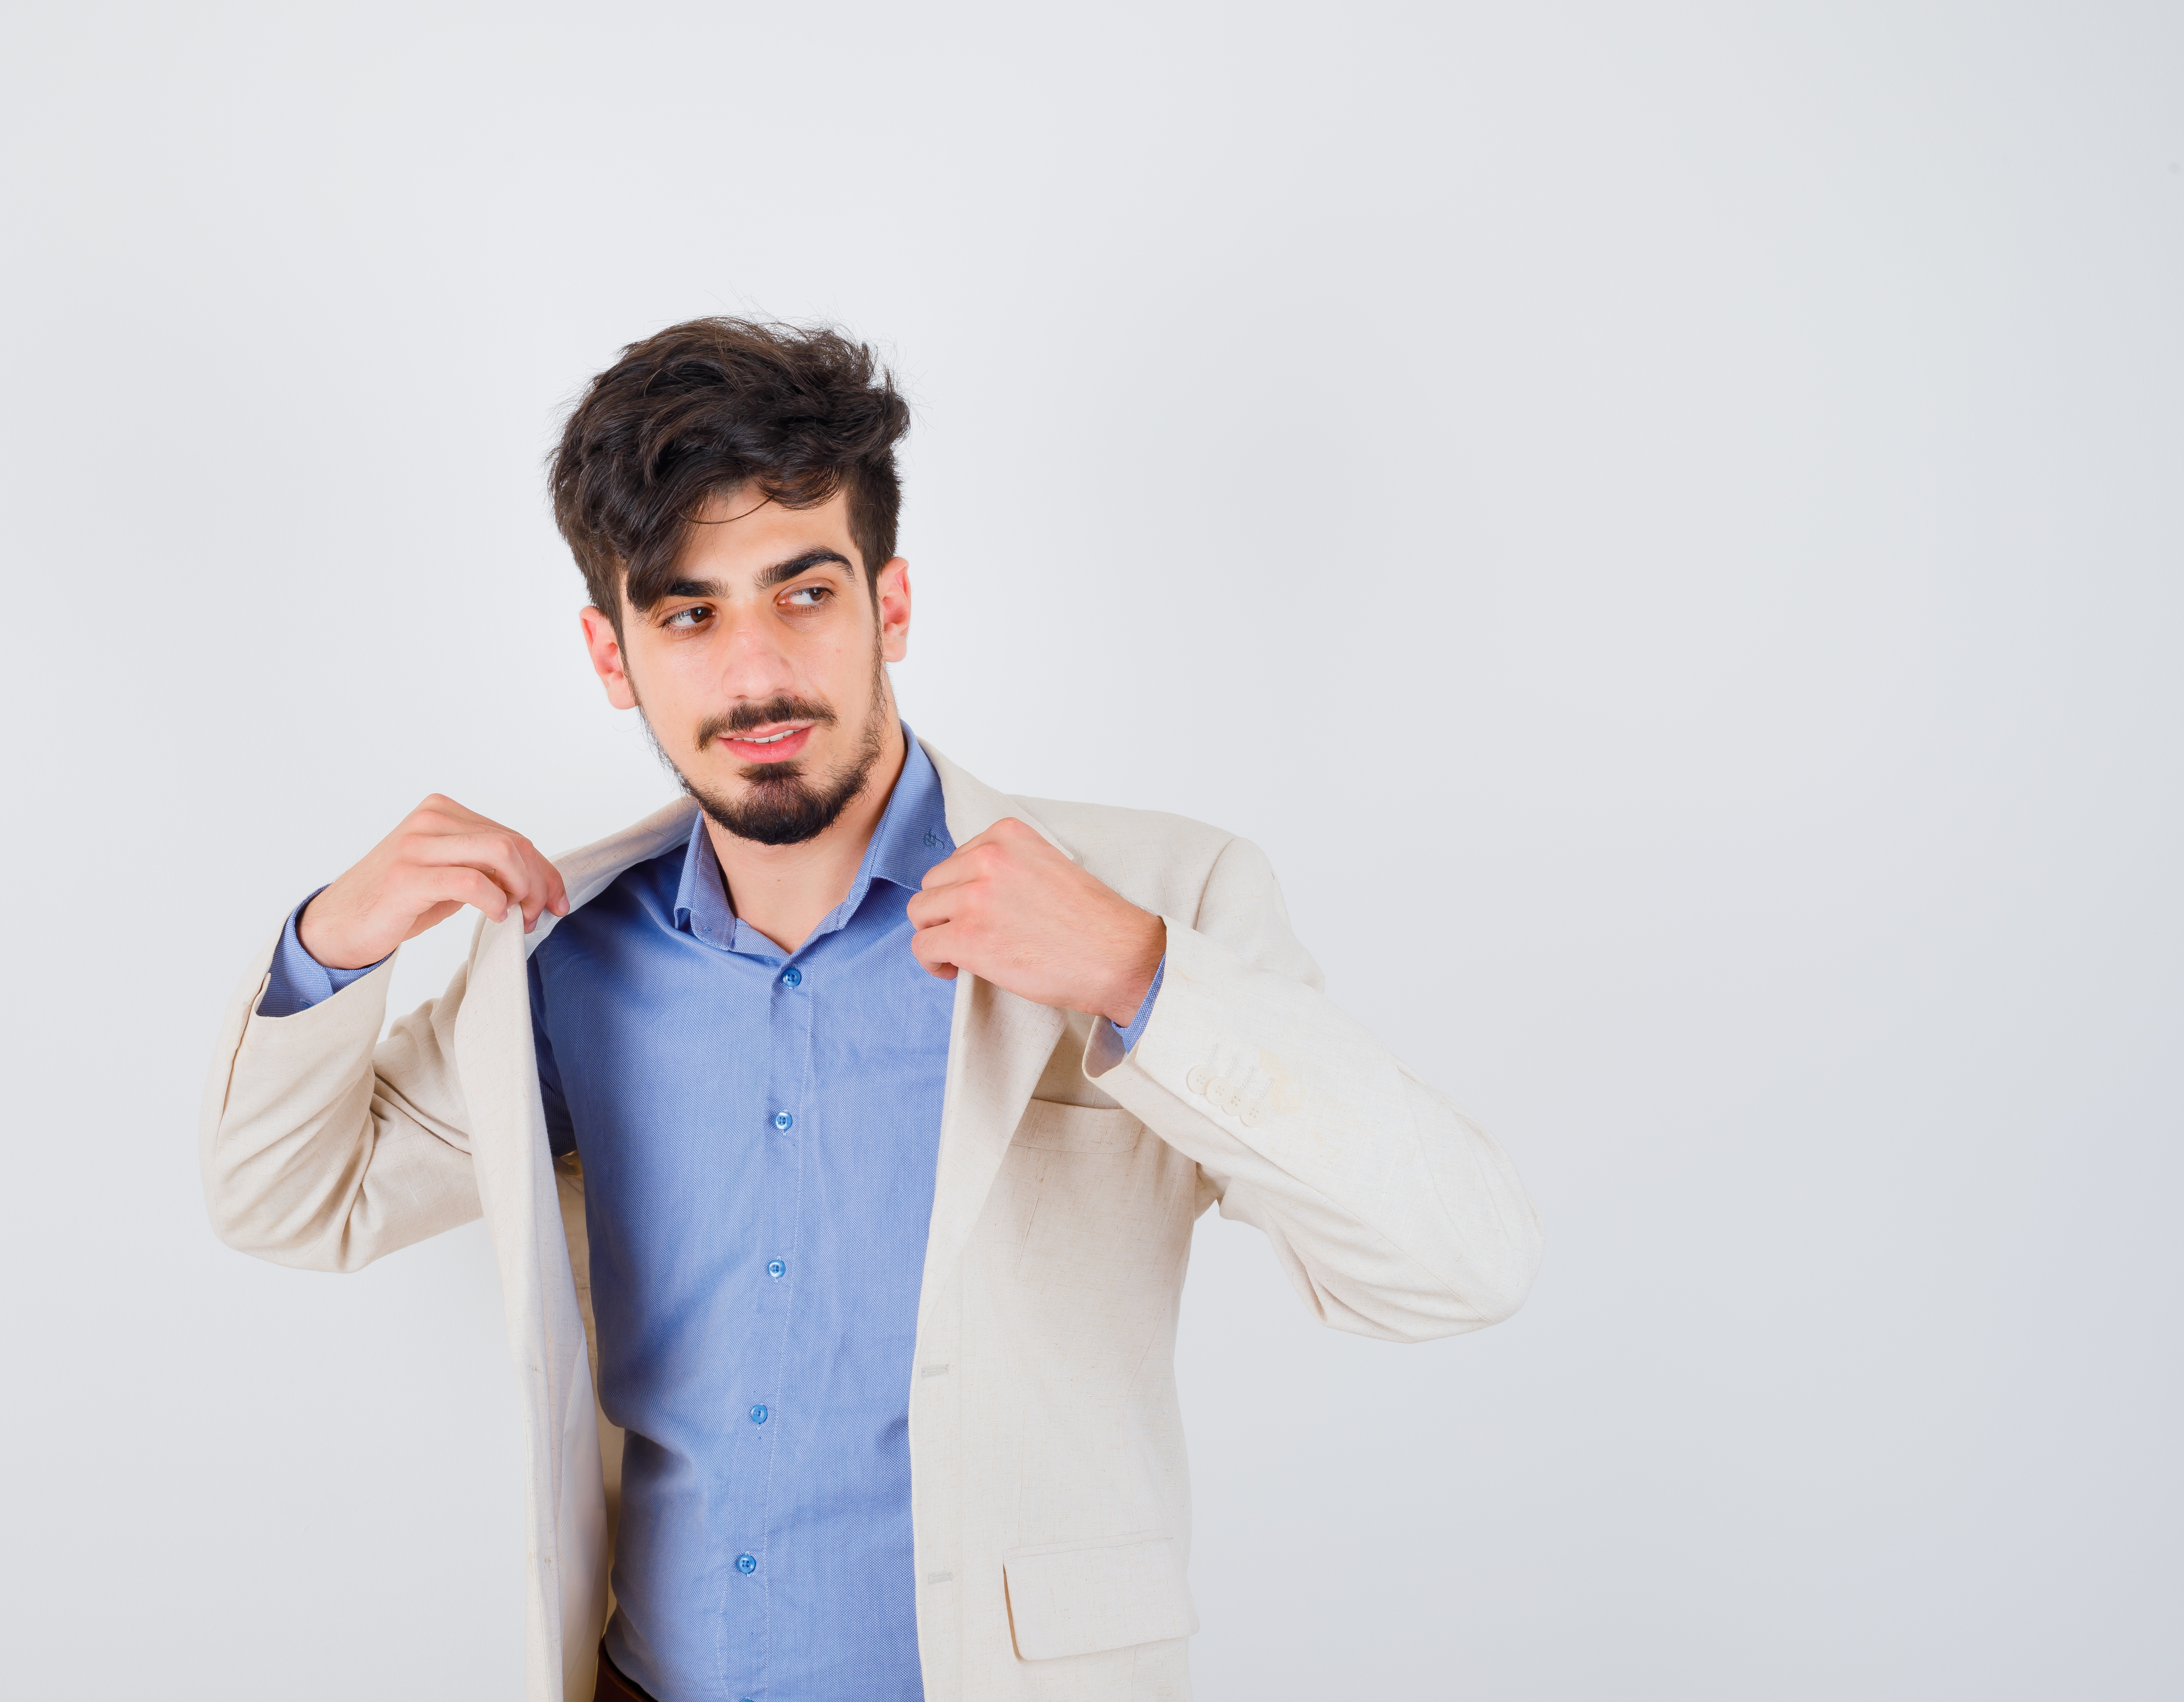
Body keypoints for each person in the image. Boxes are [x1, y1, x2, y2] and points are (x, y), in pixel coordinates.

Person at [199, 318, 1543, 1702]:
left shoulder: (1156, 896)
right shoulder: (565, 965)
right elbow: (292, 1201)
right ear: (615, 656)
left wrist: (1145, 981)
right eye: (688, 611)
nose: (756, 673)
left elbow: (1458, 1266)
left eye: (805, 592)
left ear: (889, 607)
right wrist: (330, 948)